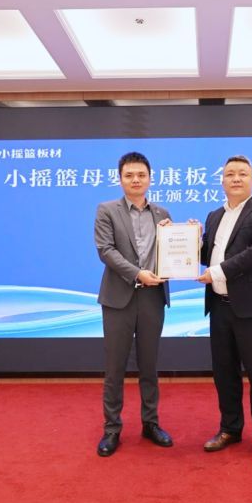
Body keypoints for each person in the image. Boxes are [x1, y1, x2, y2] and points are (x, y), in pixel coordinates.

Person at [198, 155, 252, 465]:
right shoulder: (214, 216)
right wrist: (185, 238)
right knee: (224, 373)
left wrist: (218, 272)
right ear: (222, 181)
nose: (236, 178)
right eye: (230, 174)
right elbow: (207, 255)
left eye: (242, 174)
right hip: (219, 306)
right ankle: (230, 429)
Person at [94, 151, 173, 456]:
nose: (136, 180)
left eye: (141, 175)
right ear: (120, 179)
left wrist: (191, 237)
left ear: (150, 178)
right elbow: (106, 250)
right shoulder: (106, 210)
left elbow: (171, 253)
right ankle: (112, 428)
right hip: (119, 298)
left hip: (153, 297)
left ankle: (150, 423)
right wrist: (137, 273)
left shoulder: (162, 213)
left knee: (149, 366)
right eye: (129, 175)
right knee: (115, 368)